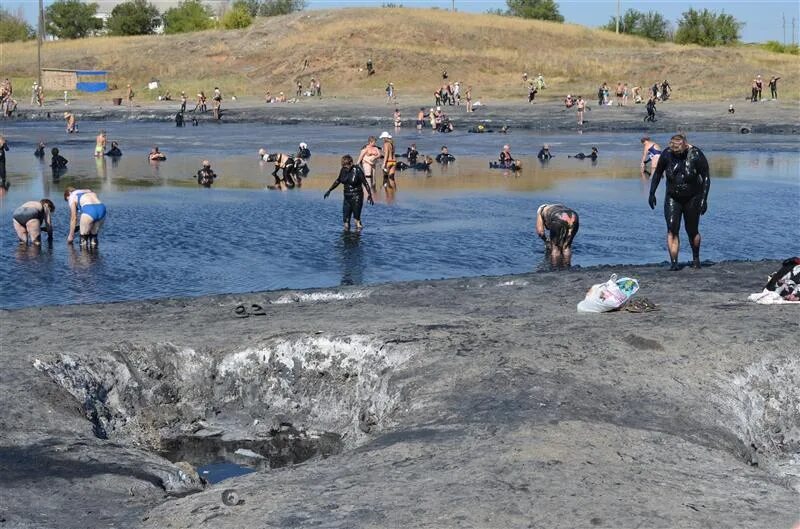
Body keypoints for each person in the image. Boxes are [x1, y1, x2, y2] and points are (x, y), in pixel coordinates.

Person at [648, 134, 710, 270]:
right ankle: (674, 262)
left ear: (685, 146)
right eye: (674, 151)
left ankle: (696, 258)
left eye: (679, 152)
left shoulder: (696, 154)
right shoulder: (666, 154)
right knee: (672, 228)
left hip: (692, 197)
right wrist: (652, 193)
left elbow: (706, 177)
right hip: (672, 197)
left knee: (692, 230)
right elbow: (658, 173)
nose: (676, 154)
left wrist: (704, 199)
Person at [323, 154, 374, 231]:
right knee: (346, 221)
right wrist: (329, 190)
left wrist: (370, 194)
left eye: (347, 165)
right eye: (344, 166)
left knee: (357, 219)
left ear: (351, 163)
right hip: (347, 197)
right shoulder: (343, 170)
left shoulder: (357, 170)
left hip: (357, 196)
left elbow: (365, 183)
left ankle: (357, 238)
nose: (346, 167)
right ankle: (346, 239)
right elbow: (338, 181)